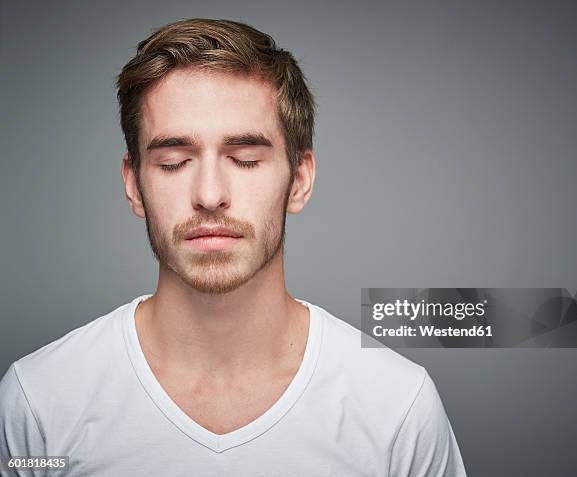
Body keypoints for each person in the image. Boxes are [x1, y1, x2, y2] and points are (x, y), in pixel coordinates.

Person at [0, 18, 467, 476]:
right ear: (134, 185)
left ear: (299, 180)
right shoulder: (40, 403)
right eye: (173, 162)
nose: (208, 195)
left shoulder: (397, 410)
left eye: (245, 160)